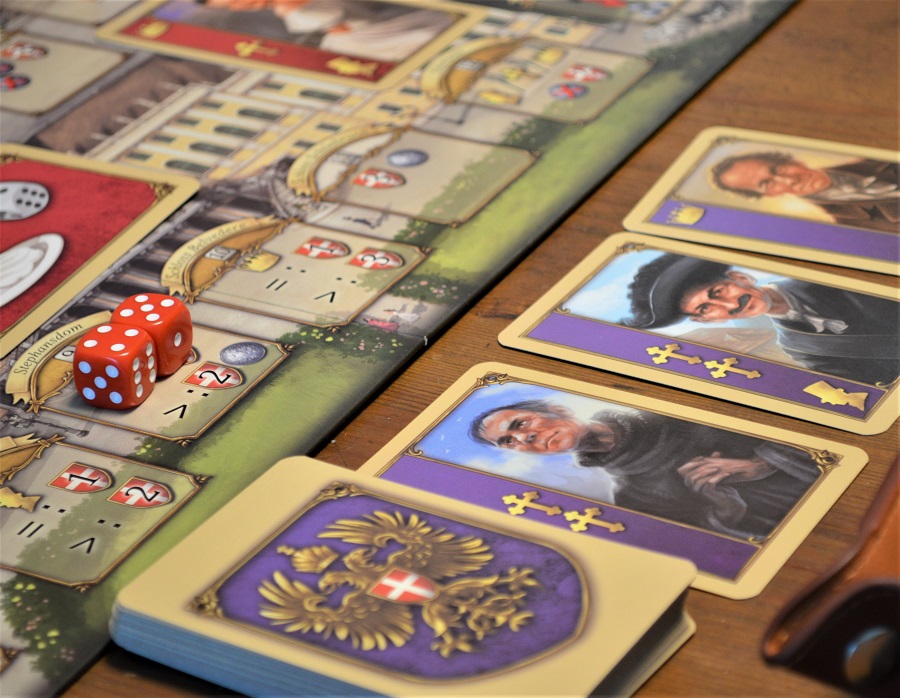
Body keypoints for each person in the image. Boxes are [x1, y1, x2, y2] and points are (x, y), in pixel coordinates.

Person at [468, 399, 820, 539]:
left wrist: (761, 463)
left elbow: (800, 424)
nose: (524, 436)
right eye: (509, 442)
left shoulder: (665, 409)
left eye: (520, 423)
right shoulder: (632, 497)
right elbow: (728, 541)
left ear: (557, 408)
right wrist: (725, 505)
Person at [624, 254, 900, 386]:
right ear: (707, 322)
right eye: (707, 308)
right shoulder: (798, 349)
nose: (730, 306)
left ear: (741, 278)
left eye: (719, 292)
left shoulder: (825, 277)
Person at [191, 0, 455, 62]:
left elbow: (348, 18)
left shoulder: (290, 6)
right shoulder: (282, 10)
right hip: (369, 31)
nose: (240, 5)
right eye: (231, 6)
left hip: (382, 30)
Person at [709, 152, 899, 233]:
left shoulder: (880, 158)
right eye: (767, 184)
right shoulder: (852, 226)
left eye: (777, 169)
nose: (789, 180)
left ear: (793, 161)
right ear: (770, 195)